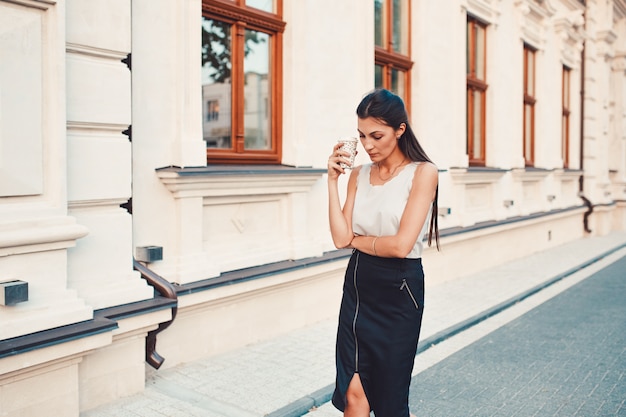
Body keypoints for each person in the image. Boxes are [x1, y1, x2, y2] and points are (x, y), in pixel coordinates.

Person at [327, 88, 440, 417]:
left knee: (389, 402)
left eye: (377, 135)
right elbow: (339, 237)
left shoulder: (423, 173)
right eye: (362, 136)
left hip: (399, 291)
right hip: (359, 290)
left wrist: (359, 241)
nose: (368, 145)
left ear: (399, 130)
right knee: (353, 392)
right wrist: (332, 180)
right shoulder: (359, 175)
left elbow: (401, 245)